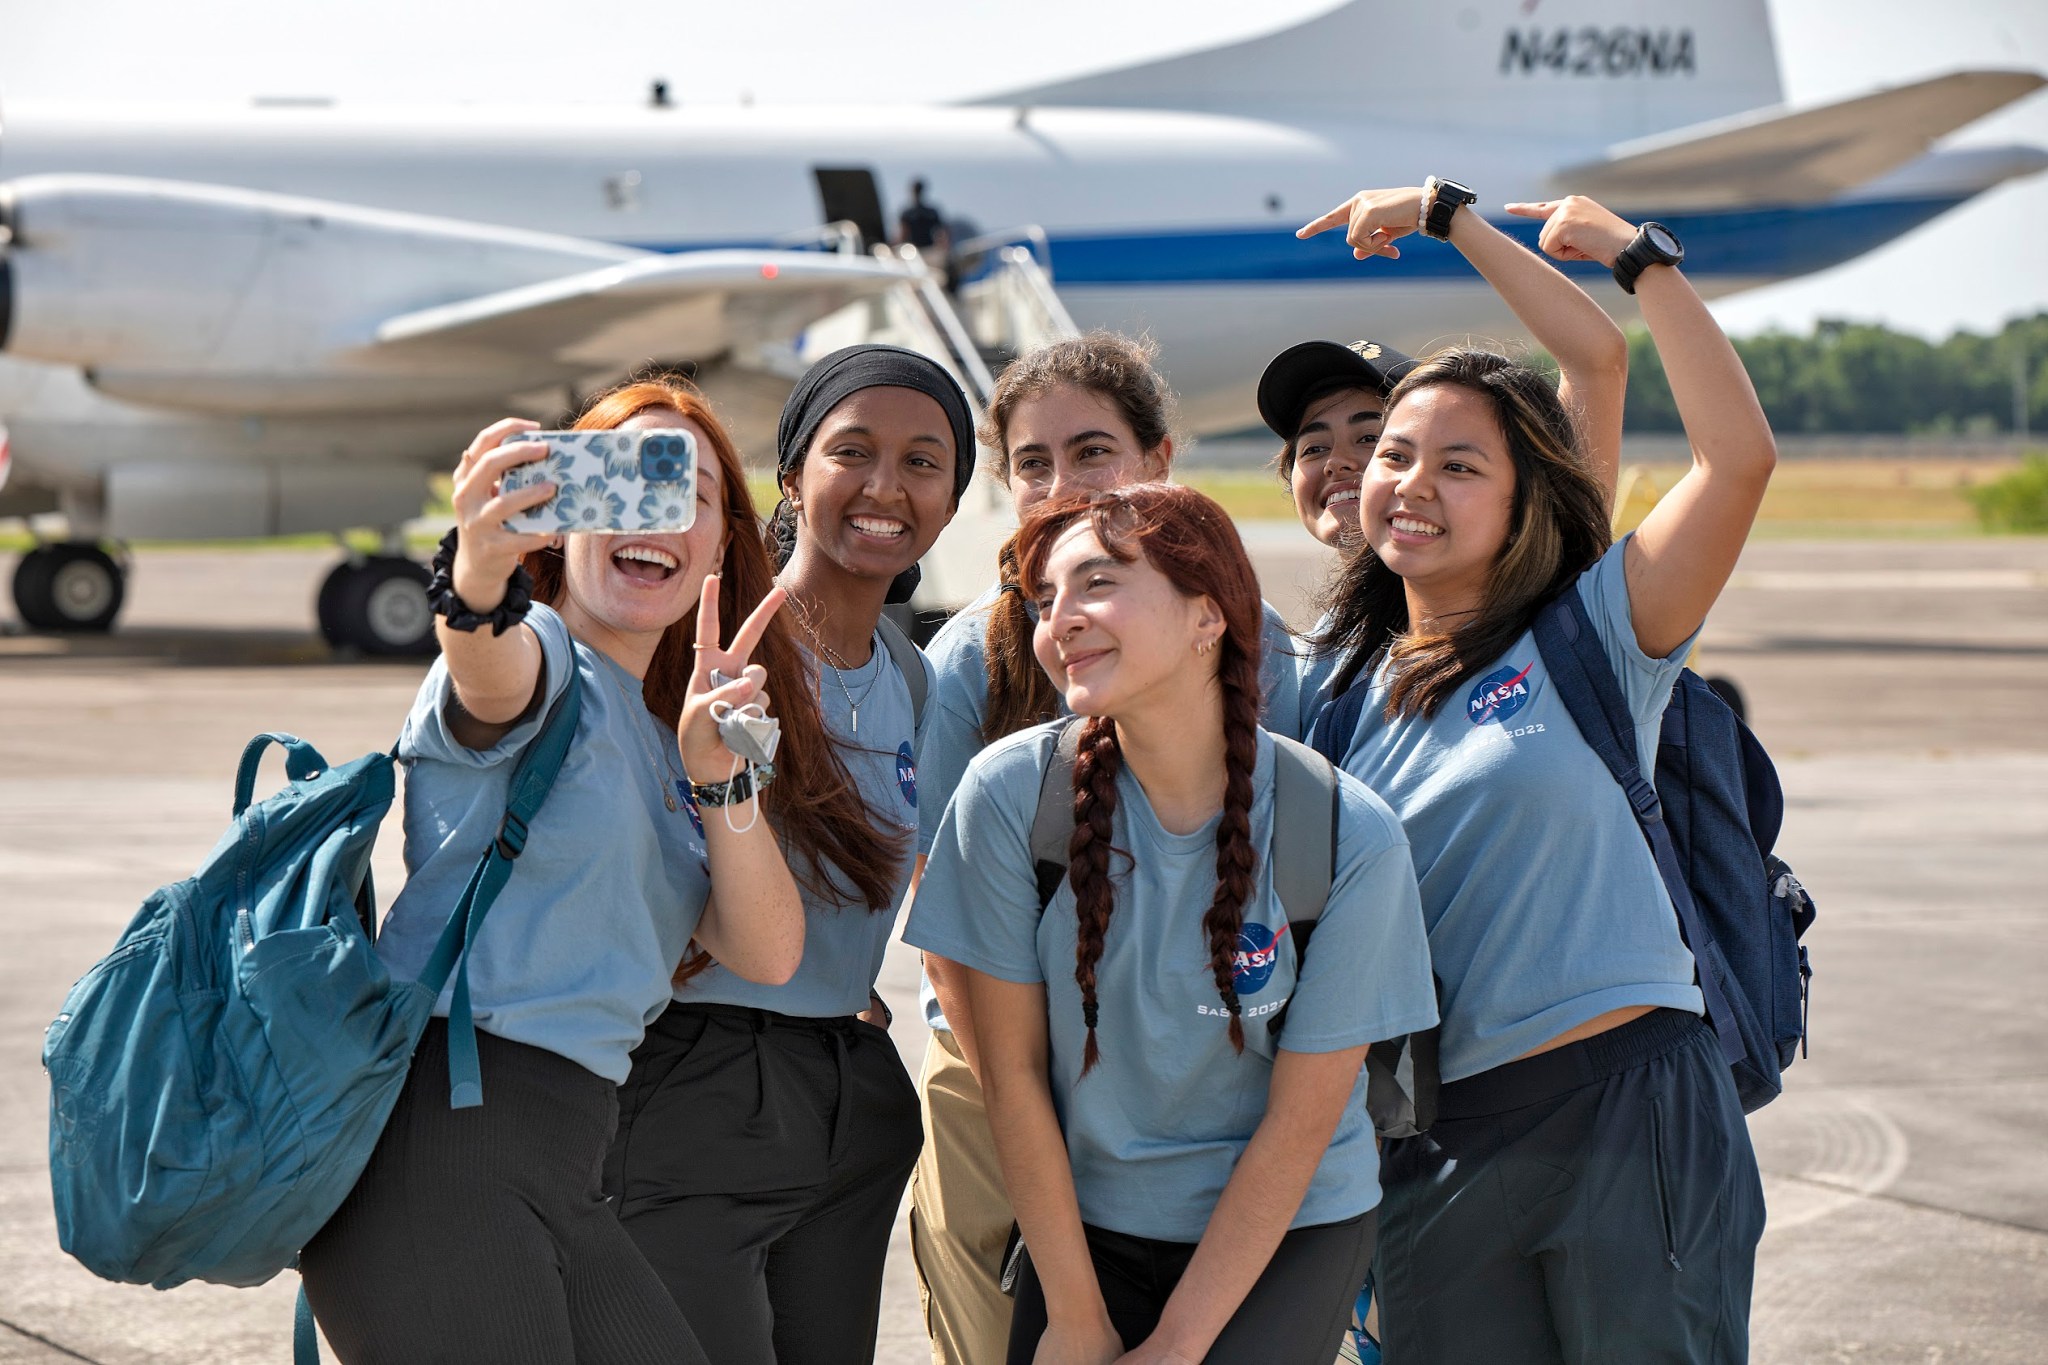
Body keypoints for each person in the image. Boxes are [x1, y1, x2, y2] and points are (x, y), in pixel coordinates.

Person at [1306, 192, 1776, 1362]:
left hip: (1625, 1107)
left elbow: (1733, 455)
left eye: (1458, 464)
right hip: (1436, 1141)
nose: (1409, 481)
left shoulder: (1593, 633)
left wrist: (1606, 251)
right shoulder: (1330, 696)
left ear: (1524, 495)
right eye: (1393, 453)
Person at [300, 378, 807, 1364]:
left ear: (718, 544)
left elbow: (769, 952)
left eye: (687, 491)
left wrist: (722, 783)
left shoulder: (672, 743)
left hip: (566, 1164)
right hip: (445, 1138)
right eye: (623, 480)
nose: (652, 512)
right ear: (563, 519)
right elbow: (484, 665)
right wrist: (478, 572)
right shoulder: (541, 657)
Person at [907, 484, 1438, 1365]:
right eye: (1046, 600)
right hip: (1087, 1219)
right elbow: (1011, 1077)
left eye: (1098, 583)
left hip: (1287, 1223)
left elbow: (1301, 1127)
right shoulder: (1010, 796)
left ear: (1209, 616)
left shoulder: (1347, 833)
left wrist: (1177, 1347)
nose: (1060, 620)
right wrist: (1075, 1317)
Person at [905, 332, 1304, 1365]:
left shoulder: (1252, 645)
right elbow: (939, 907)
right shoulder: (970, 656)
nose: (1057, 484)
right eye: (1030, 463)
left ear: (1157, 460)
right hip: (996, 1067)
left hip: (1195, 1076)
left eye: (1090, 452)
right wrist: (1018, 1074)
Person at [602, 345, 973, 1365]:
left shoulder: (911, 674)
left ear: (951, 502)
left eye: (923, 462)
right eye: (850, 451)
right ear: (791, 476)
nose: (884, 486)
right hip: (698, 1077)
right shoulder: (697, 642)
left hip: (847, 1093)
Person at [1268, 184, 1629, 735]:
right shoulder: (1317, 657)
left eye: (1375, 442)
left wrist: (1440, 213)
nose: (1338, 462)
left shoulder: (1543, 602)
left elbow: (1596, 365)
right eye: (1312, 447)